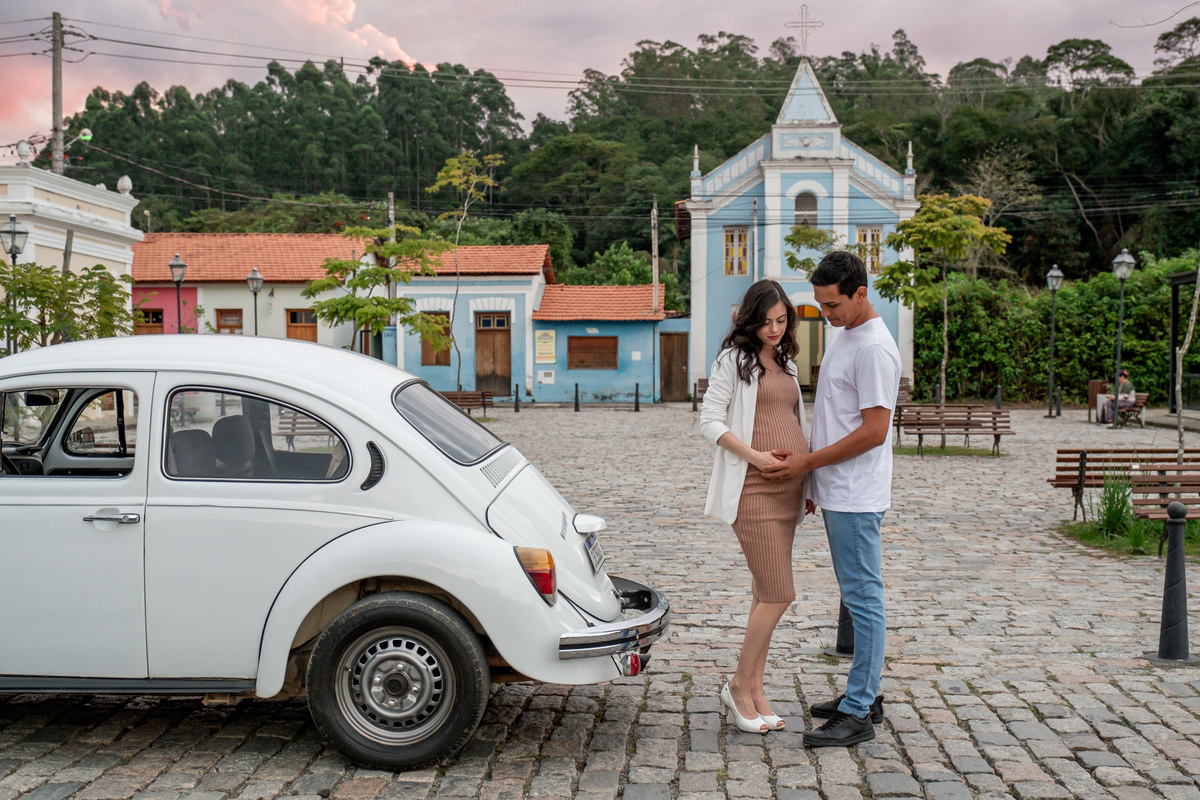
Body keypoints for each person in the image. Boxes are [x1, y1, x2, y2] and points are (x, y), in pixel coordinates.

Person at [763, 251, 900, 748]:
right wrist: (816, 483)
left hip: (857, 494)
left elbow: (874, 431)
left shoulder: (874, 349)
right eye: (820, 305)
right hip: (838, 490)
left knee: (864, 600)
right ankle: (861, 693)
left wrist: (807, 466)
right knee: (857, 595)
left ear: (860, 293)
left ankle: (860, 709)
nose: (826, 314)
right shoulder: (847, 334)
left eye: (833, 305)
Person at [699, 279, 811, 734]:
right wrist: (756, 457)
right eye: (766, 321)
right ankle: (738, 686)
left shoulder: (784, 361)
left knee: (764, 593)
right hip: (754, 490)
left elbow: (792, 420)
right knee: (781, 592)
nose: (774, 329)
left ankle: (757, 690)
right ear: (750, 319)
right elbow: (709, 421)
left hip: (789, 491)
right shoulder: (735, 359)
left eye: (782, 320)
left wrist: (807, 484)